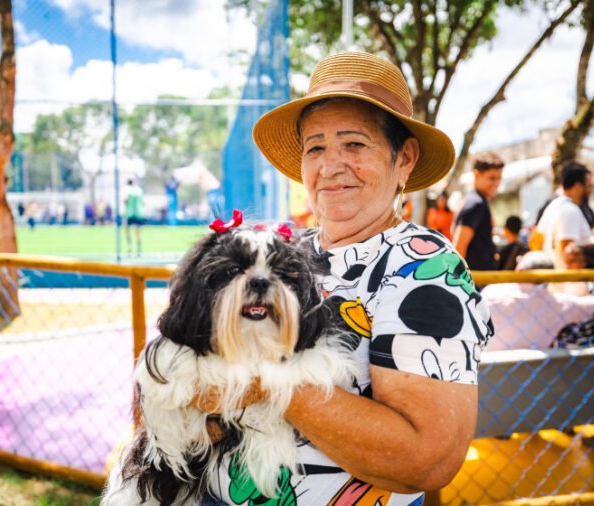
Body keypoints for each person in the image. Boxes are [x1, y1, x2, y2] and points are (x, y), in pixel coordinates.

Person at [192, 51, 493, 505]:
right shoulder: (283, 253)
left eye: (353, 144)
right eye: (315, 148)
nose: (330, 166)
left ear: (404, 158)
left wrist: (267, 381)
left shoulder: (422, 267)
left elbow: (427, 459)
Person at [482, 251, 594, 351]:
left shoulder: (491, 293)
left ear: (519, 270)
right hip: (535, 376)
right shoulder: (557, 304)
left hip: (486, 374)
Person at [533, 161, 593, 268]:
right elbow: (569, 255)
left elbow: (535, 242)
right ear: (578, 187)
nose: (590, 191)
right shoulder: (570, 211)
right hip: (567, 276)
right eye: (588, 186)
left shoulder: (554, 206)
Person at [452, 152, 503, 271]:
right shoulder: (475, 203)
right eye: (491, 178)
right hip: (476, 278)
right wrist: (460, 278)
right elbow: (459, 246)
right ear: (476, 174)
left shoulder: (474, 200)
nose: (496, 183)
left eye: (499, 178)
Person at [124, 179, 144, 256]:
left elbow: (125, 200)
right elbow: (142, 202)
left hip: (130, 213)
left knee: (127, 231)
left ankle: (129, 248)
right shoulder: (139, 190)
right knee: (138, 232)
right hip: (138, 213)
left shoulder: (127, 190)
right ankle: (139, 250)